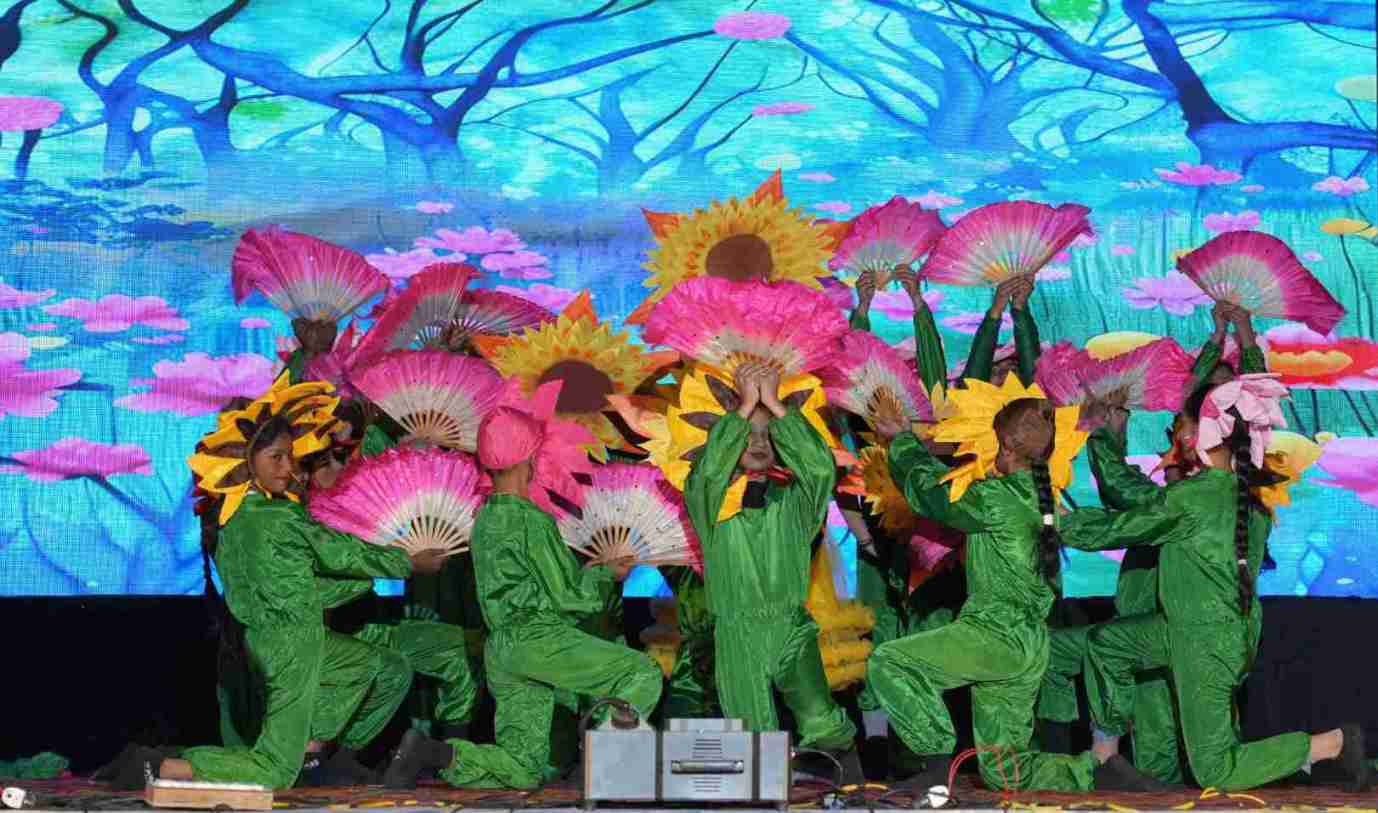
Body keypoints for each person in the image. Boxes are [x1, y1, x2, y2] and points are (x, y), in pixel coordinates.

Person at [117, 378, 444, 791]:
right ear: (246, 461)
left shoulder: (233, 519)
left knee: (374, 665)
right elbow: (340, 551)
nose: (287, 468)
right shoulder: (277, 517)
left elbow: (294, 586)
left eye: (289, 457)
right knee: (274, 770)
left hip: (279, 637)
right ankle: (162, 766)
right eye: (276, 457)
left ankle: (311, 749)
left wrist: (367, 580)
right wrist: (406, 562)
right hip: (290, 645)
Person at [1059, 380, 1373, 793]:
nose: (1179, 437)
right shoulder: (1242, 498)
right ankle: (1105, 757)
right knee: (1107, 644)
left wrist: (1053, 519)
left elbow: (1115, 528)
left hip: (1206, 640)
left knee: (1216, 771)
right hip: (1191, 629)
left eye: (1184, 427)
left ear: (1198, 435)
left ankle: (1332, 743)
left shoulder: (1196, 496)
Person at [1037, 301, 1270, 785]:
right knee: (1097, 670)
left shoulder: (1206, 492)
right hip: (1164, 617)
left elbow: (1123, 492)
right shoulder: (1198, 480)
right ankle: (1104, 762)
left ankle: (1126, 768)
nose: (1182, 431)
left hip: (1194, 623)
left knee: (1195, 751)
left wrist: (1102, 435)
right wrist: (1219, 339)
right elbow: (1188, 402)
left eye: (1195, 420)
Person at [380, 402, 662, 790]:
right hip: (538, 639)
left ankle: (434, 753)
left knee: (523, 768)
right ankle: (600, 763)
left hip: (502, 650)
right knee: (642, 673)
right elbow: (568, 597)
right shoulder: (530, 519)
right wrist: (605, 574)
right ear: (530, 457)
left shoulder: (484, 518)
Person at [869, 391, 1136, 800]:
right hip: (1029, 646)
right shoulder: (1040, 500)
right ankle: (1095, 769)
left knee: (890, 662)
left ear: (1006, 446)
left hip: (995, 634)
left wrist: (901, 439)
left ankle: (937, 770)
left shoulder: (997, 499)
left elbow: (933, 495)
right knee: (1006, 771)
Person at [684, 361, 862, 784]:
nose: (759, 442)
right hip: (738, 633)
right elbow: (708, 473)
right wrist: (744, 406)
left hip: (789, 627)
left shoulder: (794, 504)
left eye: (768, 434)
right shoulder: (711, 506)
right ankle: (761, 791)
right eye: (747, 434)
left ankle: (847, 779)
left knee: (821, 716)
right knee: (751, 731)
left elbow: (820, 470)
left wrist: (776, 405)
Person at [844, 266, 964, 778]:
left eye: (911, 376)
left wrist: (919, 303)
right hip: (877, 543)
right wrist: (861, 309)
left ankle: (928, 746)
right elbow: (857, 364)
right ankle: (876, 743)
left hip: (927, 542)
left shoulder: (930, 425)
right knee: (877, 636)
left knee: (926, 638)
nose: (904, 385)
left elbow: (936, 371)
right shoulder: (862, 426)